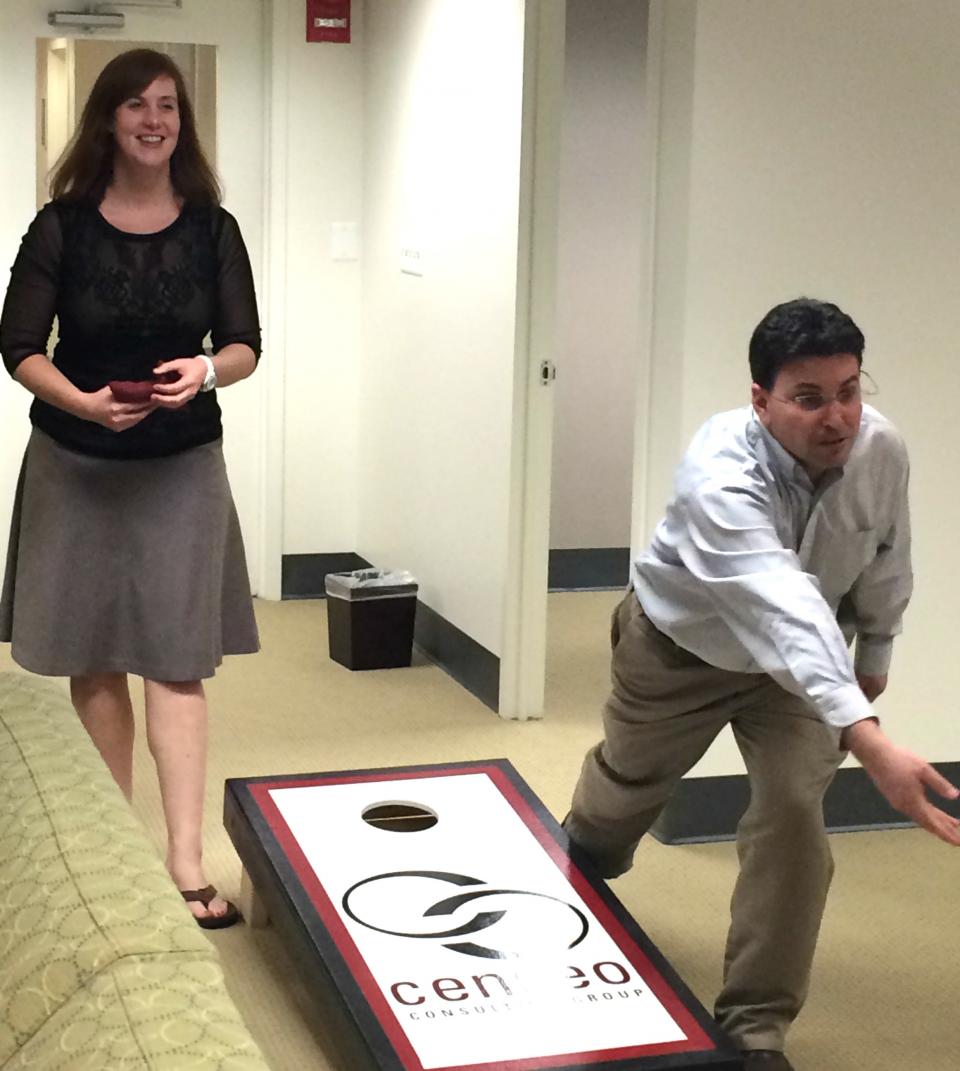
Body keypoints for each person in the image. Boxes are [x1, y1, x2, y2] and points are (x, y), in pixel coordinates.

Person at [563, 298, 960, 1070]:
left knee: (793, 818)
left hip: (799, 682)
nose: (838, 415)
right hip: (679, 654)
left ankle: (757, 1025)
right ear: (761, 400)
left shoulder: (881, 447)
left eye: (849, 389)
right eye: (809, 398)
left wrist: (876, 645)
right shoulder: (718, 473)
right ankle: (583, 856)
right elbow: (780, 602)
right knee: (617, 806)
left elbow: (887, 550)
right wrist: (869, 738)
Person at [0, 49, 261, 929]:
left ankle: (185, 861)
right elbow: (20, 343)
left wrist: (206, 371)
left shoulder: (212, 229)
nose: (156, 121)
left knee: (178, 659)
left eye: (170, 108)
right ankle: (116, 851)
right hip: (76, 466)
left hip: (182, 467)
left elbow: (245, 343)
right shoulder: (61, 227)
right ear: (107, 119)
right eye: (139, 107)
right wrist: (78, 399)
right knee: (96, 655)